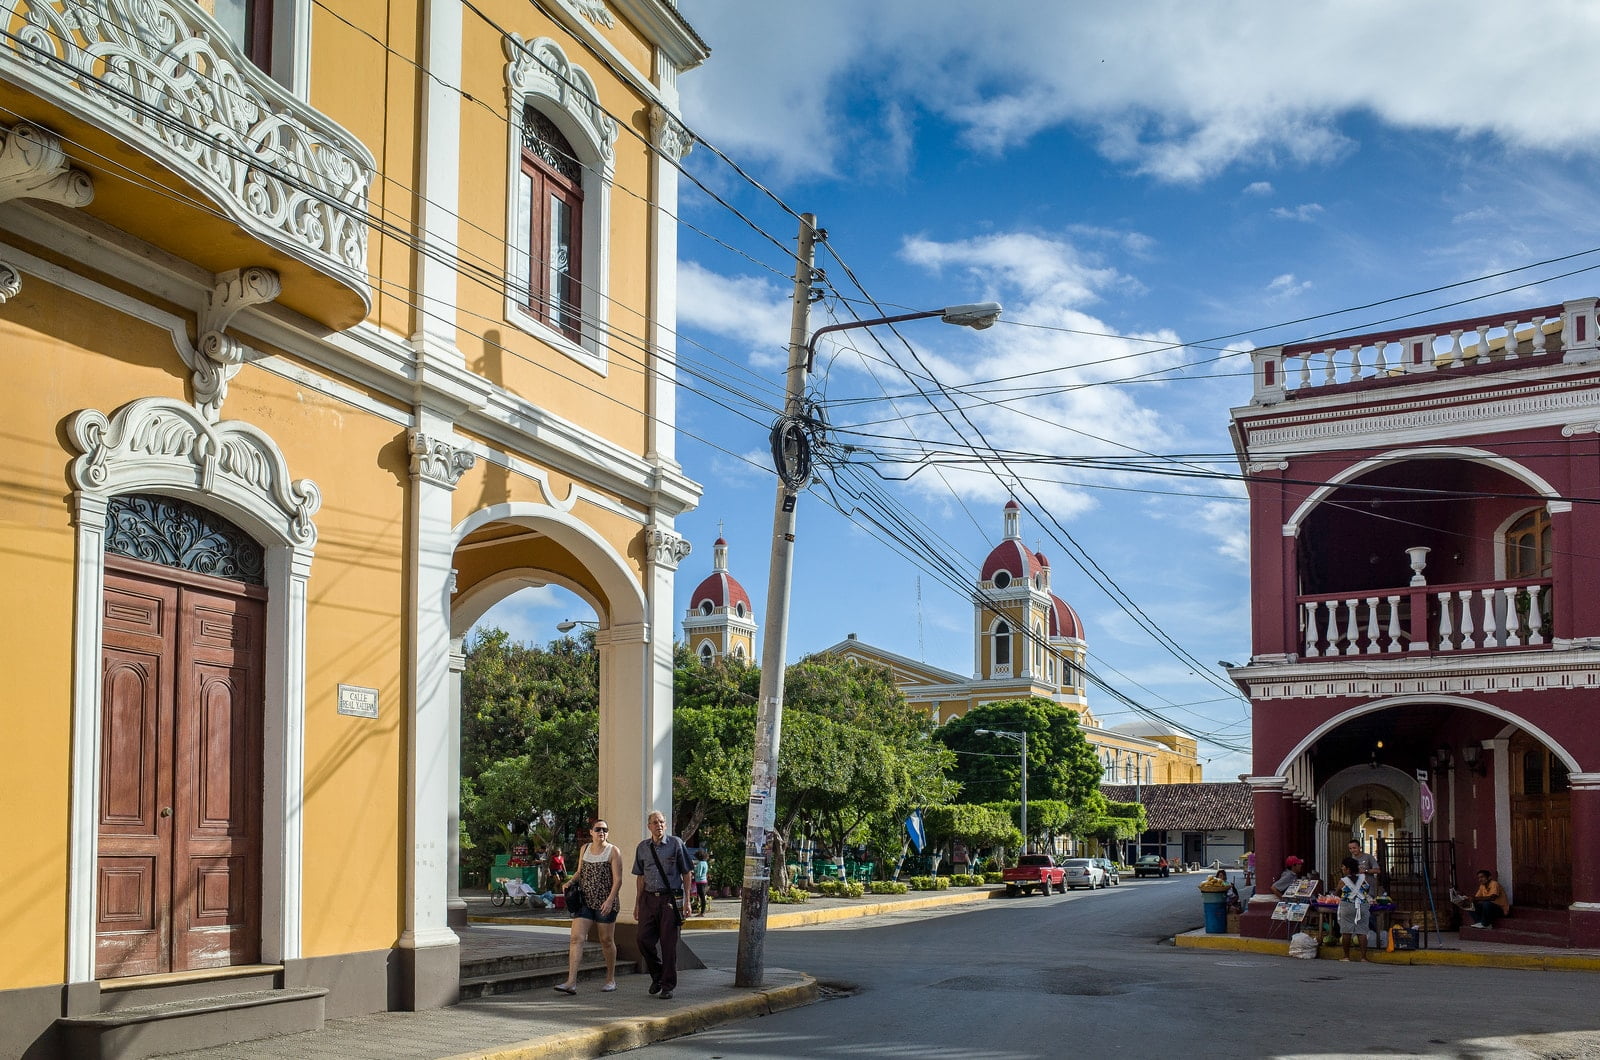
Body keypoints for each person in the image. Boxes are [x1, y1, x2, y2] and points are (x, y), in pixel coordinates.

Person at [552, 820, 622, 995]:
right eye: (598, 829)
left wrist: (609, 900)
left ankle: (610, 978)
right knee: (576, 938)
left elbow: (618, 879)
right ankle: (571, 982)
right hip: (585, 901)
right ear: (591, 832)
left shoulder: (613, 851)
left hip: (605, 902)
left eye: (605, 829)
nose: (602, 832)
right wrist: (570, 882)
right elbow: (579, 871)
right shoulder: (585, 849)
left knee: (606, 940)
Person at [633, 810, 694, 1000]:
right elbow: (640, 876)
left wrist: (687, 901)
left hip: (669, 899)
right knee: (643, 939)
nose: (658, 825)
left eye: (661, 822)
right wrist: (637, 902)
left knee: (668, 944)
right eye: (654, 822)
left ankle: (668, 985)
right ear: (648, 826)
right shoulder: (642, 847)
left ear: (665, 825)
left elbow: (686, 873)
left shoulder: (676, 843)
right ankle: (657, 975)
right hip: (649, 899)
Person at [1336, 856, 1374, 962]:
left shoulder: (1343, 881)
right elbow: (1367, 890)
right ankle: (1363, 957)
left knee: (1346, 932)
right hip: (1362, 906)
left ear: (1348, 869)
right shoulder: (1363, 879)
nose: (1342, 868)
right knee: (1362, 932)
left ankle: (1346, 956)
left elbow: (1338, 893)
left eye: (1343, 867)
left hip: (1347, 906)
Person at [691, 850, 711, 916]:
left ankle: (702, 912)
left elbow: (698, 874)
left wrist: (693, 872)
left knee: (701, 897)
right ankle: (702, 911)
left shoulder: (700, 864)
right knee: (703, 897)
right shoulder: (705, 863)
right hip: (704, 881)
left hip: (699, 882)